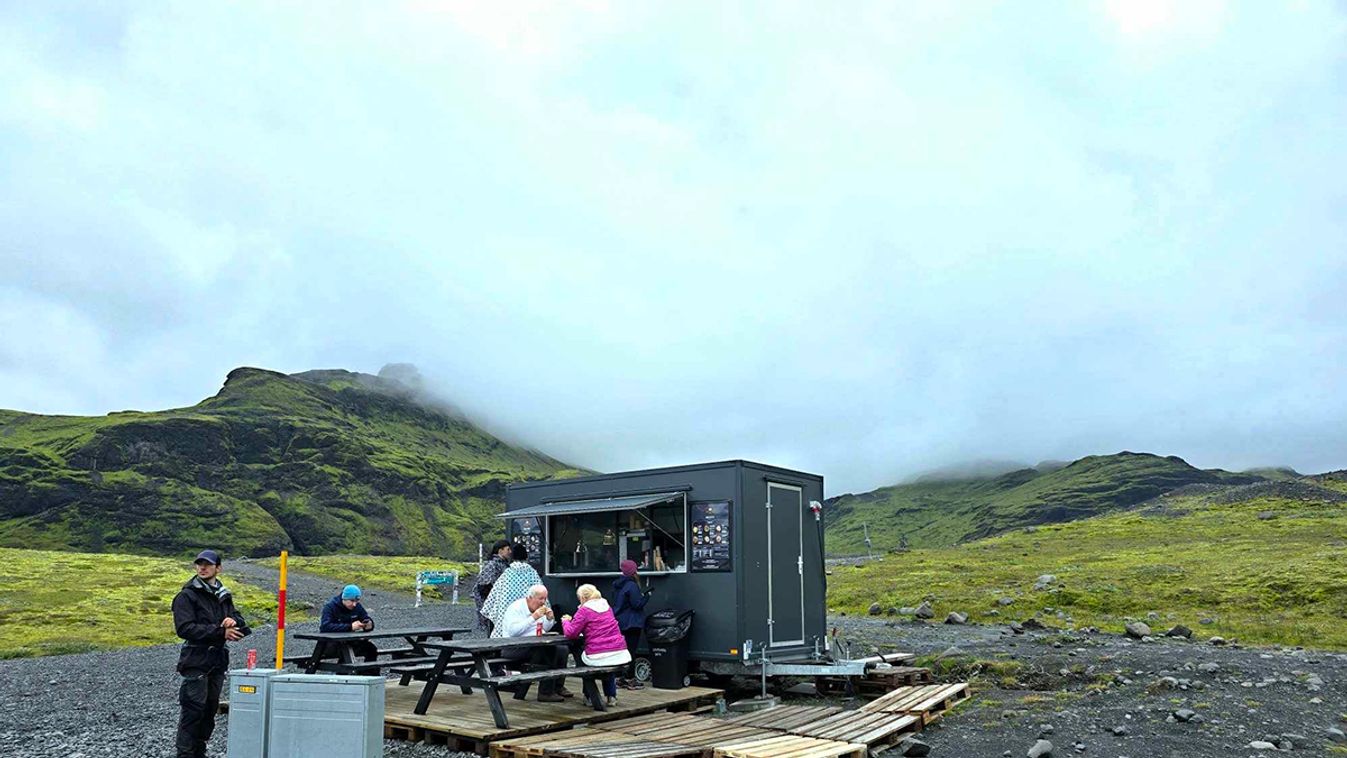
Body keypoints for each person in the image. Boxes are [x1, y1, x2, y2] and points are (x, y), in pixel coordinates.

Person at [172, 549, 251, 758]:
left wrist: (234, 623)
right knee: (193, 711)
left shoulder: (223, 595)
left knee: (209, 710)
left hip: (217, 661)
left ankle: (200, 752)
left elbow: (240, 621)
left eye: (207, 564)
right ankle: (185, 754)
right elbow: (184, 628)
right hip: (195, 660)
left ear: (218, 568)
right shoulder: (186, 595)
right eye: (199, 564)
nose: (203, 567)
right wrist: (220, 631)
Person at [495, 584, 573, 702]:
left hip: (534, 644)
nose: (543, 602)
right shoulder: (516, 608)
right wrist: (533, 617)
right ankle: (545, 692)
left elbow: (543, 629)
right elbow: (513, 632)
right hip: (513, 647)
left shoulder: (540, 607)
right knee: (548, 650)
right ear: (530, 597)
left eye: (545, 598)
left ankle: (558, 686)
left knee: (562, 649)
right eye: (540, 598)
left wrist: (549, 619)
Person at [561, 584, 630, 707]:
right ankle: (611, 696)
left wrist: (565, 621)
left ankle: (589, 696)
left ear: (582, 598)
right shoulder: (607, 607)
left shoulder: (584, 610)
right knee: (608, 658)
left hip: (598, 655)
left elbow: (571, 633)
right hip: (619, 652)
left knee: (582, 659)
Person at [481, 542, 543, 636]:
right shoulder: (532, 573)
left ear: (512, 557)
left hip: (506, 616)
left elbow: (492, 598)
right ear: (526, 557)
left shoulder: (507, 573)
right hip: (528, 620)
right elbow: (541, 593)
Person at [612, 559, 650, 690]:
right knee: (631, 651)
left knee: (620, 650)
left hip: (620, 621)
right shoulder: (632, 585)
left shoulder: (617, 584)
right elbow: (636, 604)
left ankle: (619, 678)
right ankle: (630, 679)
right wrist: (646, 596)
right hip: (632, 622)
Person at [316, 584, 377, 665]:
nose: (354, 604)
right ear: (344, 598)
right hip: (331, 644)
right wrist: (350, 627)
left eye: (356, 601)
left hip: (350, 641)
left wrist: (369, 625)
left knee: (371, 649)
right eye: (352, 601)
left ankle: (370, 675)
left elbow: (366, 618)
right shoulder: (330, 607)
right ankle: (343, 675)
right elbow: (325, 627)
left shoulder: (357, 607)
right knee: (347, 651)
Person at [473, 539, 513, 632]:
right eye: (508, 549)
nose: (510, 552)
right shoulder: (492, 565)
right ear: (500, 550)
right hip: (493, 608)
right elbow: (482, 587)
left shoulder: (504, 564)